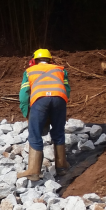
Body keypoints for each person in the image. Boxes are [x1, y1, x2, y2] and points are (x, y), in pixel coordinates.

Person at [17, 48, 71, 180]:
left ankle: (34, 171)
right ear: (50, 60)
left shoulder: (29, 71)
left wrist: (27, 113)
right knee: (58, 132)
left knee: (35, 134)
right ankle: (62, 167)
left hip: (40, 100)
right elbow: (67, 90)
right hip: (60, 99)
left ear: (34, 60)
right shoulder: (60, 70)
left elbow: (24, 96)